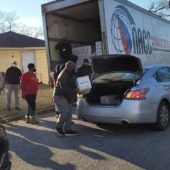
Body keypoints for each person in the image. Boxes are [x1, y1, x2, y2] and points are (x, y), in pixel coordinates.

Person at [53, 61, 78, 136]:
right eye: (73, 67)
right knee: (65, 111)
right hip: (60, 96)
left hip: (66, 96)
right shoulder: (63, 74)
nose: (74, 69)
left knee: (69, 113)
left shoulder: (69, 73)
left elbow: (71, 84)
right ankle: (58, 127)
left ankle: (68, 129)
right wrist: (75, 90)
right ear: (69, 67)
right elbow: (64, 88)